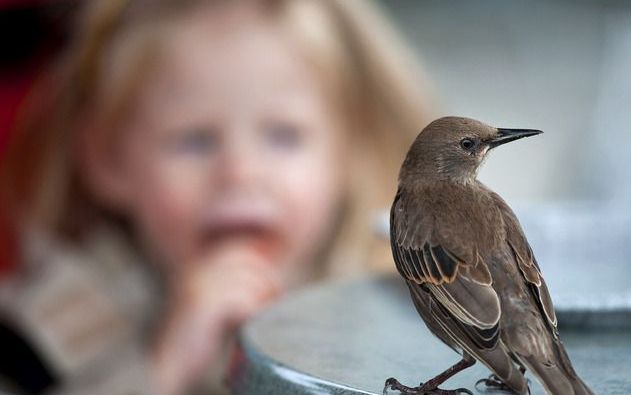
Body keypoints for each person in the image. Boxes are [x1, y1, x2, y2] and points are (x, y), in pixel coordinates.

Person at [0, 0, 434, 394]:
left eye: (284, 135)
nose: (240, 173)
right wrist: (158, 368)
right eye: (195, 140)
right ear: (109, 160)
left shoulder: (396, 316)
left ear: (346, 157)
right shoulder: (49, 329)